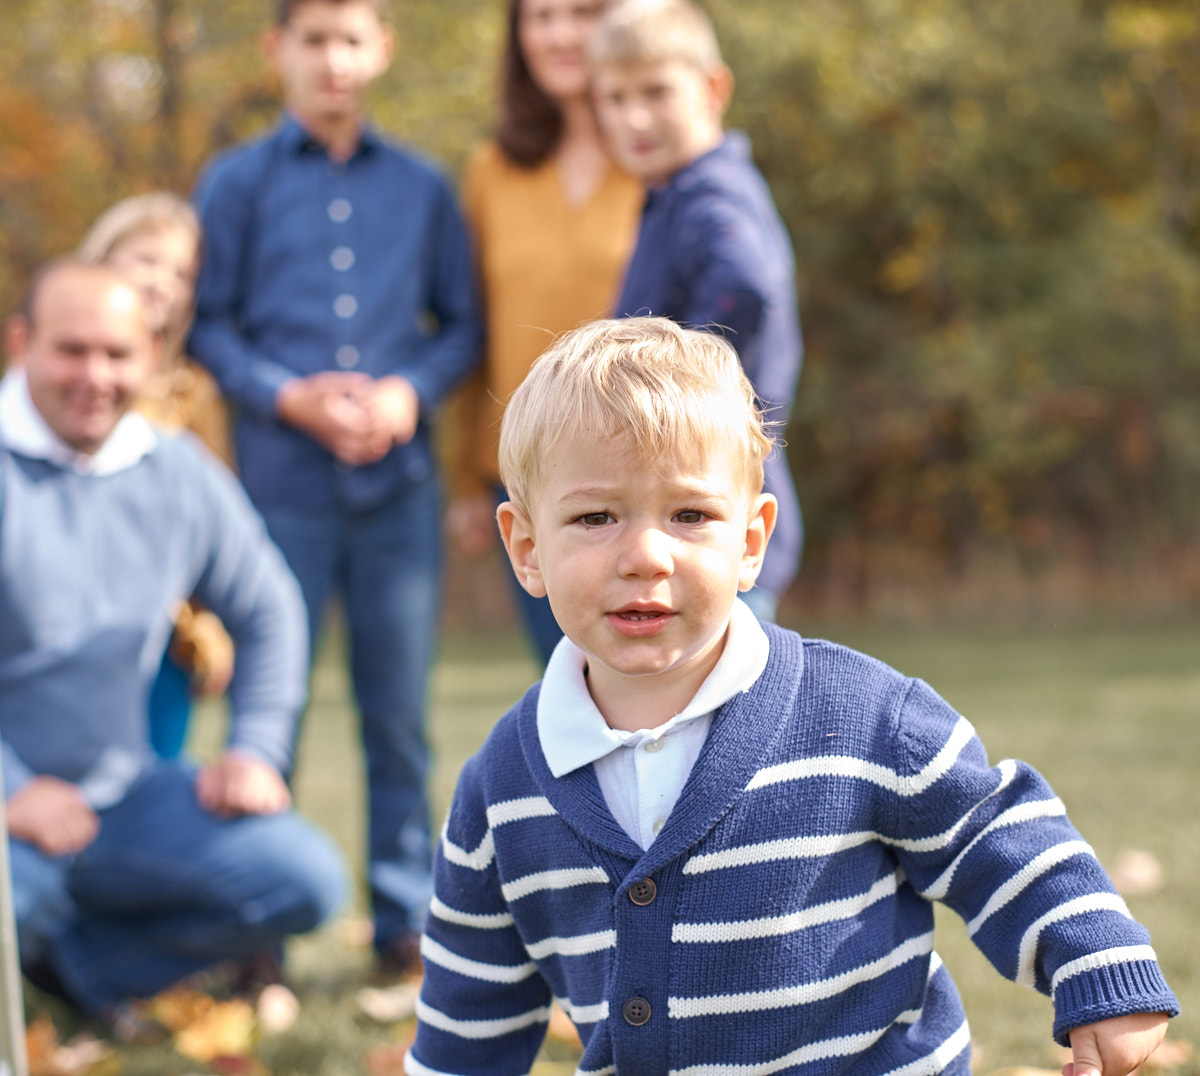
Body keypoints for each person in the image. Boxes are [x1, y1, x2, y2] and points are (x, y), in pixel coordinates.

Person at [406, 317, 1177, 1075]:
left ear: (749, 541)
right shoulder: (501, 790)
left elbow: (995, 832)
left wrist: (1098, 964)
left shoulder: (865, 718)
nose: (645, 555)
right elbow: (468, 1019)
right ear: (527, 548)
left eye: (690, 515)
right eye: (596, 517)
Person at [188, 0, 481, 977]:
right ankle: (254, 929)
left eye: (352, 40)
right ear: (278, 51)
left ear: (382, 51)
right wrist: (290, 396)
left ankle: (403, 924)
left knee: (395, 711)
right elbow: (210, 328)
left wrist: (409, 391)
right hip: (279, 491)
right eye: (313, 40)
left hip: (396, 492)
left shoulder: (425, 189)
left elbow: (461, 328)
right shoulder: (233, 185)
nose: (333, 61)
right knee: (271, 701)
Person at [0, 260, 346, 1032]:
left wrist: (255, 747)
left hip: (123, 799)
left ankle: (76, 972)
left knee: (307, 880)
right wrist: (12, 791)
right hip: (9, 804)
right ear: (20, 343)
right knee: (14, 895)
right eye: (71, 350)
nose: (96, 374)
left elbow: (270, 609)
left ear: (151, 358)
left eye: (118, 354)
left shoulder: (176, 470)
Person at [593, 0, 803, 622]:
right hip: (684, 515)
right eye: (614, 97)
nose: (635, 116)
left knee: (722, 709)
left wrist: (663, 393)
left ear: (714, 88)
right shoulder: (671, 194)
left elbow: (747, 288)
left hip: (707, 515)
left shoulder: (710, 193)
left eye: (657, 91)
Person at [446, 0, 643, 665]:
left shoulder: (652, 159)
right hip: (527, 471)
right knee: (572, 690)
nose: (560, 34)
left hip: (647, 468)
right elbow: (472, 328)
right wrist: (465, 482)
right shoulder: (491, 171)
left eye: (582, 12)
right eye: (541, 15)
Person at [78, 192, 234, 759]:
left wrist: (208, 629)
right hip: (74, 621)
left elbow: (217, 526)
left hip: (168, 637)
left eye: (181, 272)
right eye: (145, 259)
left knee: (154, 776)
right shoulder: (58, 383)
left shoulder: (194, 396)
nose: (162, 281)